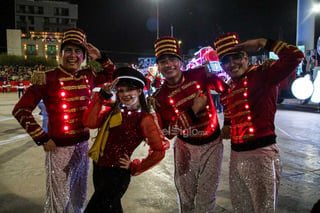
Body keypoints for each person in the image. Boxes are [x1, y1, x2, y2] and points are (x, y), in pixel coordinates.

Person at [12, 28, 116, 213]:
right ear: (60, 54)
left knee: (79, 194)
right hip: (59, 147)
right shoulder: (47, 78)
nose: (73, 55)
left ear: (83, 56)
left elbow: (111, 75)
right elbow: (21, 110)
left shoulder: (88, 75)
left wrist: (101, 57)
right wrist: (42, 138)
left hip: (83, 146)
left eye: (78, 51)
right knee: (58, 198)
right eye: (68, 50)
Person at [213, 32, 304, 213]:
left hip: (262, 155)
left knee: (263, 209)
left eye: (236, 57)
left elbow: (295, 55)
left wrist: (264, 42)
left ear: (246, 57)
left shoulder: (264, 75)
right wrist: (227, 124)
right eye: (226, 61)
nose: (232, 64)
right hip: (236, 156)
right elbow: (229, 107)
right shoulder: (230, 86)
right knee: (242, 207)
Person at [151, 36, 227, 212]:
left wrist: (229, 121)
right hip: (185, 147)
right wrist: (193, 112)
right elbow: (168, 132)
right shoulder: (159, 97)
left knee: (207, 196)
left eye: (172, 59)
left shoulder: (199, 74)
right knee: (186, 197)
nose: (168, 65)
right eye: (163, 61)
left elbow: (225, 90)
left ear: (180, 62)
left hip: (213, 145)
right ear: (159, 67)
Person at [83, 67, 169, 213]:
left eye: (130, 89)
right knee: (112, 209)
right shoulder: (113, 110)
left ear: (140, 91)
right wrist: (102, 96)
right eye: (121, 90)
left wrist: (135, 166)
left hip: (117, 173)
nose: (125, 94)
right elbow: (89, 122)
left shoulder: (144, 119)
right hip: (98, 168)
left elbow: (159, 150)